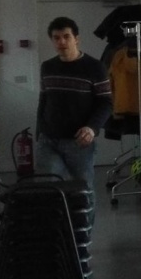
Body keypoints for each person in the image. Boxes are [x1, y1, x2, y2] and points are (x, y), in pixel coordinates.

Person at [37, 16, 113, 188]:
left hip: (79, 141)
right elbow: (44, 100)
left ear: (76, 39)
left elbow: (106, 102)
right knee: (48, 188)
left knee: (82, 190)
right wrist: (39, 131)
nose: (62, 42)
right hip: (48, 140)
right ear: (52, 41)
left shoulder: (95, 67)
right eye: (56, 38)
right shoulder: (47, 67)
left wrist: (92, 128)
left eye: (66, 36)